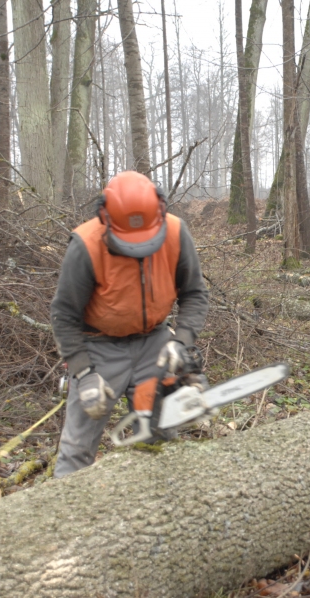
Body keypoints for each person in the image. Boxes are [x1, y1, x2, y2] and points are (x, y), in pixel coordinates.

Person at [50, 171, 209, 477]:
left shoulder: (176, 232)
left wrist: (182, 341)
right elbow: (64, 314)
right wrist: (83, 373)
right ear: (106, 218)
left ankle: (158, 507)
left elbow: (194, 293)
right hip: (98, 346)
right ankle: (65, 517)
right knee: (77, 446)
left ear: (160, 212)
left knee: (159, 435)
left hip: (155, 343)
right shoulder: (86, 243)